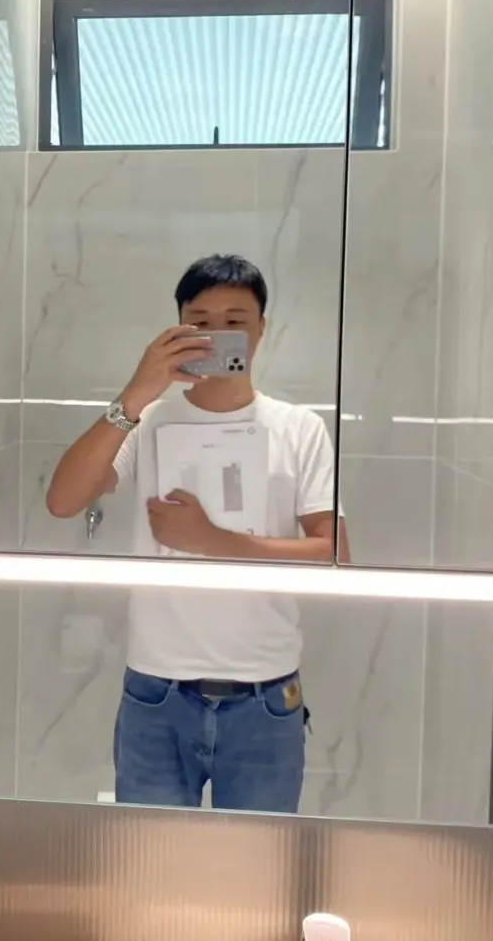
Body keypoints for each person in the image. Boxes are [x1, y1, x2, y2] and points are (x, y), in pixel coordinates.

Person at [45, 254, 347, 813]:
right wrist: (137, 392)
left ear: (262, 328)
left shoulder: (299, 428)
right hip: (156, 690)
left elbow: (335, 555)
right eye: (200, 322)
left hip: (264, 693)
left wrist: (215, 542)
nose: (217, 335)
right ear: (178, 327)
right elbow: (63, 501)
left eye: (235, 321)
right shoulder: (149, 420)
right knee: (150, 859)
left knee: (257, 863)